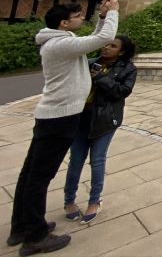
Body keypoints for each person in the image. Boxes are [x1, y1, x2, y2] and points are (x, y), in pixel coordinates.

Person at [7, 0, 119, 256]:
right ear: (64, 22)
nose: (82, 18)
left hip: (51, 116)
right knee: (40, 177)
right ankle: (34, 237)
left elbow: (93, 36)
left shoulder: (59, 41)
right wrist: (112, 13)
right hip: (60, 117)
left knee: (30, 173)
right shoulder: (61, 44)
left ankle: (21, 227)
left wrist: (101, 18)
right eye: (78, 16)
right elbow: (104, 39)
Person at [63, 35, 137, 224]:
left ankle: (94, 201)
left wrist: (102, 78)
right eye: (106, 44)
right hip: (80, 118)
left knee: (97, 160)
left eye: (112, 46)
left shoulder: (128, 69)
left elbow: (121, 92)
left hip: (105, 120)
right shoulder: (88, 63)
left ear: (121, 51)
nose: (106, 48)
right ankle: (69, 200)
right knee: (76, 160)